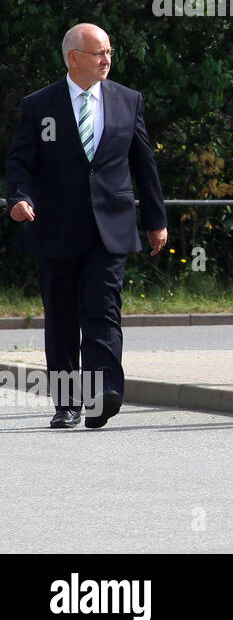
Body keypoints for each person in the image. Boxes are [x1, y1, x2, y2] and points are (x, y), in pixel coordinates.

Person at [6, 23, 167, 429]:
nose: (107, 60)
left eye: (109, 52)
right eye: (99, 53)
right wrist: (19, 198)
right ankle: (66, 402)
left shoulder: (128, 101)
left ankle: (103, 393)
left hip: (109, 226)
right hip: (55, 226)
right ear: (73, 57)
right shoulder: (40, 105)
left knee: (103, 308)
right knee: (61, 316)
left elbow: (143, 164)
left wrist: (155, 220)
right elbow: (21, 162)